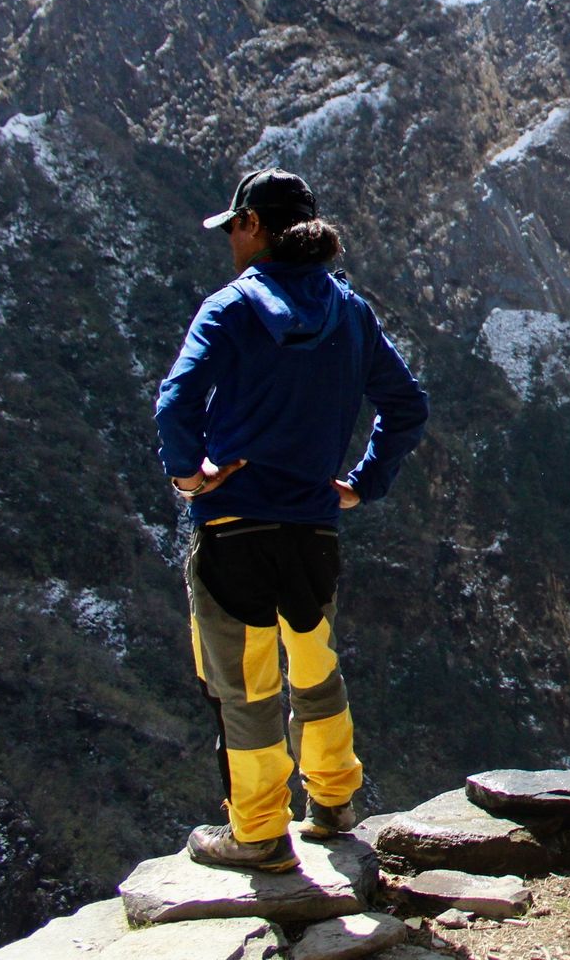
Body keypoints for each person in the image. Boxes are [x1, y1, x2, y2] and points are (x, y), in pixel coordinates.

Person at [155, 168, 429, 871]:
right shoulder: (351, 312)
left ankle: (258, 834)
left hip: (234, 529)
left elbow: (176, 403)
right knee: (315, 666)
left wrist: (192, 475)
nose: (231, 242)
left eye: (235, 228)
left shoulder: (231, 308)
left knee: (245, 687)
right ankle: (334, 801)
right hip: (312, 527)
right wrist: (361, 485)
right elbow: (406, 407)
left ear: (252, 224)